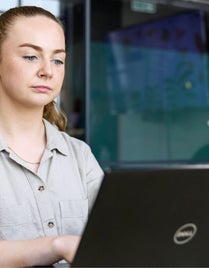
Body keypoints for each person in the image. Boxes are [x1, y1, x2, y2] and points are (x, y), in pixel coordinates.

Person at [0, 5, 104, 267]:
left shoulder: (79, 155)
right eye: (30, 57)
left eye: (58, 60)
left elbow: (114, 234)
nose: (48, 70)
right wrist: (56, 245)